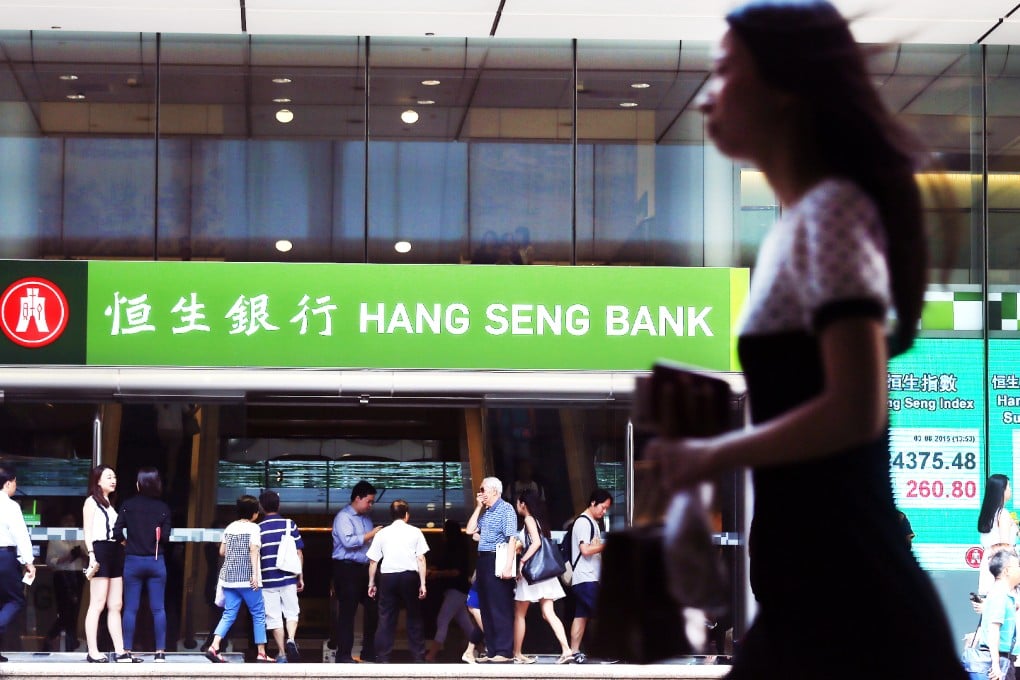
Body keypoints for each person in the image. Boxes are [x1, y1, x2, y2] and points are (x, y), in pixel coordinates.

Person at [645, 2, 967, 677]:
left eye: (726, 70)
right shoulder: (801, 223)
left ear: (784, 86)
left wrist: (713, 454)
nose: (705, 97)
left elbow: (856, 407)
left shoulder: (832, 213)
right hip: (818, 590)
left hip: (849, 597)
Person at [113, 467, 172, 663]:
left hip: (133, 560)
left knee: (130, 608)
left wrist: (127, 543)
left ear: (139, 485)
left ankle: (127, 650)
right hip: (156, 561)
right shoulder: (163, 508)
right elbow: (165, 537)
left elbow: (117, 532)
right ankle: (160, 652)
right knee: (158, 608)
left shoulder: (127, 505)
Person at [205, 494, 272, 663]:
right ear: (254, 513)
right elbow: (254, 550)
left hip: (229, 578)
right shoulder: (254, 528)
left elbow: (222, 551)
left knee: (228, 614)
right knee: (258, 614)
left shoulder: (230, 527)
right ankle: (261, 653)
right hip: (247, 579)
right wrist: (255, 575)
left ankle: (214, 646)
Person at [511, 489, 573, 665]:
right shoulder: (538, 521)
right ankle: (566, 650)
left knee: (520, 614)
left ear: (523, 504)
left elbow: (536, 543)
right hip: (544, 574)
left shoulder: (529, 519)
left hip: (533, 573)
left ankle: (517, 653)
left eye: (518, 502)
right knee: (549, 613)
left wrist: (522, 561)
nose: (517, 505)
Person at [83, 464, 136, 663]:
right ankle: (92, 651)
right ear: (97, 481)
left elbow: (117, 534)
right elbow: (87, 531)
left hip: (115, 551)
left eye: (114, 477)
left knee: (116, 604)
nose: (113, 480)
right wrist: (91, 554)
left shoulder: (109, 504)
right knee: (97, 604)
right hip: (100, 551)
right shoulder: (91, 502)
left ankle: (120, 651)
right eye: (108, 477)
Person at [366, 499, 429, 663]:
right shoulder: (415, 532)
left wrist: (371, 583)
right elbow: (421, 558)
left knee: (386, 617)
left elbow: (373, 561)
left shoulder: (382, 533)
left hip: (388, 577)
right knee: (414, 616)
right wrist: (423, 583)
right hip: (409, 576)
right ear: (406, 515)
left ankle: (383, 657)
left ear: (391, 515)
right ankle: (418, 657)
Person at [465, 476, 517, 663]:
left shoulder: (506, 509)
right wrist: (478, 507)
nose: (480, 493)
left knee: (499, 605)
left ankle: (504, 650)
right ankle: (492, 650)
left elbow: (512, 538)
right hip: (484, 560)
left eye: (483, 490)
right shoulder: (486, 512)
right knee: (486, 606)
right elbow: (470, 530)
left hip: (498, 558)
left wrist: (508, 566)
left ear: (494, 490)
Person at [331, 480, 380, 663]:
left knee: (374, 608)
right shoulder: (343, 517)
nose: (370, 505)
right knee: (347, 612)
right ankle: (343, 654)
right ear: (357, 498)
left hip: (365, 570)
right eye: (368, 501)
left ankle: (369, 651)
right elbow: (348, 542)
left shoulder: (366, 519)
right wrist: (371, 534)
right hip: (347, 569)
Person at [258, 489, 304, 663]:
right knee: (292, 612)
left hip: (268, 579)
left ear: (261, 507)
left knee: (274, 617)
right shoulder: (289, 524)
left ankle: (282, 653)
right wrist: (300, 576)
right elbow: (299, 553)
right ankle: (291, 639)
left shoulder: (258, 529)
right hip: (288, 577)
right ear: (278, 505)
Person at [567, 488, 612, 663]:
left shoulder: (591, 522)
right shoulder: (583, 522)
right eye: (603, 507)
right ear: (593, 503)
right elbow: (585, 550)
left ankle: (573, 652)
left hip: (587, 577)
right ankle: (609, 652)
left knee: (581, 616)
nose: (604, 511)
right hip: (586, 578)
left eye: (606, 508)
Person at [424, 519, 477, 662]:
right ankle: (483, 648)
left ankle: (431, 655)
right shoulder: (456, 548)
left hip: (456, 590)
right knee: (466, 624)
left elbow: (455, 572)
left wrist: (436, 574)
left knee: (442, 620)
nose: (442, 534)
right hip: (458, 590)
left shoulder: (456, 549)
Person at [0, 464, 35, 662]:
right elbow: (20, 535)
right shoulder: (10, 506)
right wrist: (28, 561)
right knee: (16, 599)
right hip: (4, 556)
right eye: (14, 482)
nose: (16, 486)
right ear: (7, 483)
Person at [971, 549, 1020, 680]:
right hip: (999, 660)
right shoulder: (1000, 594)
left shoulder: (1003, 594)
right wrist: (996, 665)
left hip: (1005, 659)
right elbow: (994, 630)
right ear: (1007, 571)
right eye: (1018, 566)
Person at [45, 512, 86, 652]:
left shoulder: (80, 536)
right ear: (61, 523)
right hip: (62, 575)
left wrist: (81, 554)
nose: (70, 524)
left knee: (75, 610)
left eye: (72, 521)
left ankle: (70, 642)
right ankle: (54, 637)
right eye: (66, 521)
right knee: (65, 610)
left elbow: (88, 558)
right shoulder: (55, 538)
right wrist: (65, 558)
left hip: (78, 574)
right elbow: (49, 560)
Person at [979, 474, 1019, 596]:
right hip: (1002, 566)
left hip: (990, 562)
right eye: (1008, 487)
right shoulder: (1003, 514)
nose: (1010, 490)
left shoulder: (989, 513)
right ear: (1001, 490)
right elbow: (1005, 546)